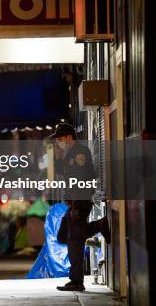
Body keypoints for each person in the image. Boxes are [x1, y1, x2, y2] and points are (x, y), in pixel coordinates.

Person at [51, 123, 111, 292]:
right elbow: (60, 172)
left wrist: (76, 203)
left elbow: (82, 179)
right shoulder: (69, 153)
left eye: (60, 139)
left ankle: (76, 281)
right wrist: (57, 155)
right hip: (74, 202)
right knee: (64, 236)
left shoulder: (80, 153)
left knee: (74, 242)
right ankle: (98, 225)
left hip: (80, 201)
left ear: (69, 137)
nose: (58, 142)